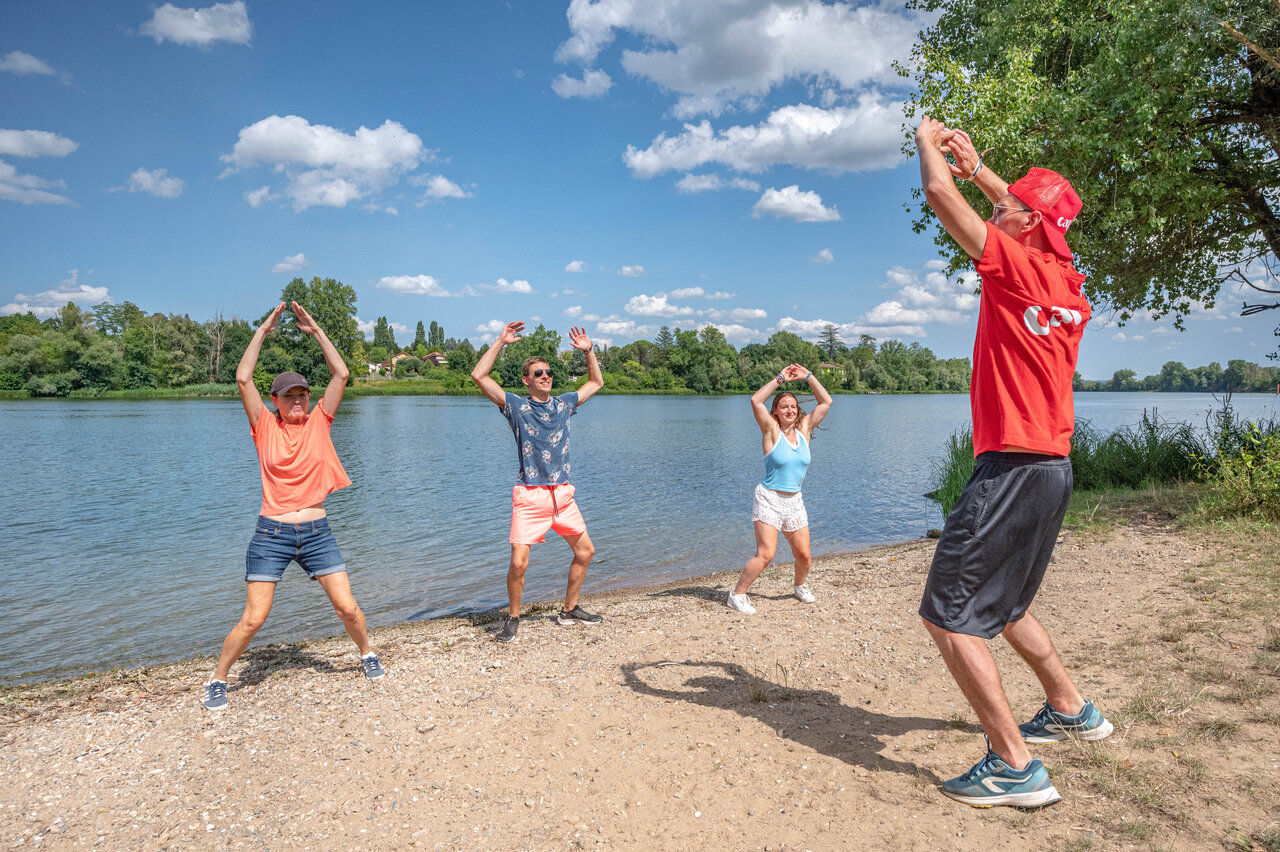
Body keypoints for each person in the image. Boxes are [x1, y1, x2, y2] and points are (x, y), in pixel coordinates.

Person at [913, 116, 1112, 807]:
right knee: (1009, 604)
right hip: (1052, 468)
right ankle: (1069, 707)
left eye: (1006, 207)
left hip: (1012, 465)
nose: (998, 210)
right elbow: (1043, 219)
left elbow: (942, 202)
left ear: (1025, 225)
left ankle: (1014, 764)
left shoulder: (1016, 263)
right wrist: (984, 172)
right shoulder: (1068, 281)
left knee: (946, 612)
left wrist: (929, 148)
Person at [202, 301, 383, 712]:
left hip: (318, 533)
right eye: (289, 396)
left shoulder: (321, 420)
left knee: (347, 606)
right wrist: (263, 330)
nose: (298, 401)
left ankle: (367, 652)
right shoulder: (263, 425)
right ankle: (218, 678)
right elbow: (242, 376)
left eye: (302, 393)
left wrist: (317, 331)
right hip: (272, 534)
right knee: (254, 618)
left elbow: (342, 373)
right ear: (276, 400)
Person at [469, 321, 605, 643]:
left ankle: (569, 609)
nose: (546, 376)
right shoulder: (517, 406)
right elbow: (479, 376)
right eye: (539, 373)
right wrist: (500, 342)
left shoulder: (564, 404)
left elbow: (596, 382)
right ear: (526, 380)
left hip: (563, 495)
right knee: (518, 563)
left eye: (549, 373)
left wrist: (589, 351)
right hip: (530, 495)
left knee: (585, 552)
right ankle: (512, 618)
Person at [727, 363, 832, 614]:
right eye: (783, 407)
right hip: (769, 499)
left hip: (794, 501)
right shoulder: (771, 430)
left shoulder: (804, 429)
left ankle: (799, 586)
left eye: (793, 407)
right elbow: (755, 400)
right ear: (775, 411)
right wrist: (780, 379)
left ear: (798, 411)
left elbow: (826, 402)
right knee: (767, 554)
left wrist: (808, 376)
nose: (789, 410)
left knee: (804, 556)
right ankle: (737, 594)